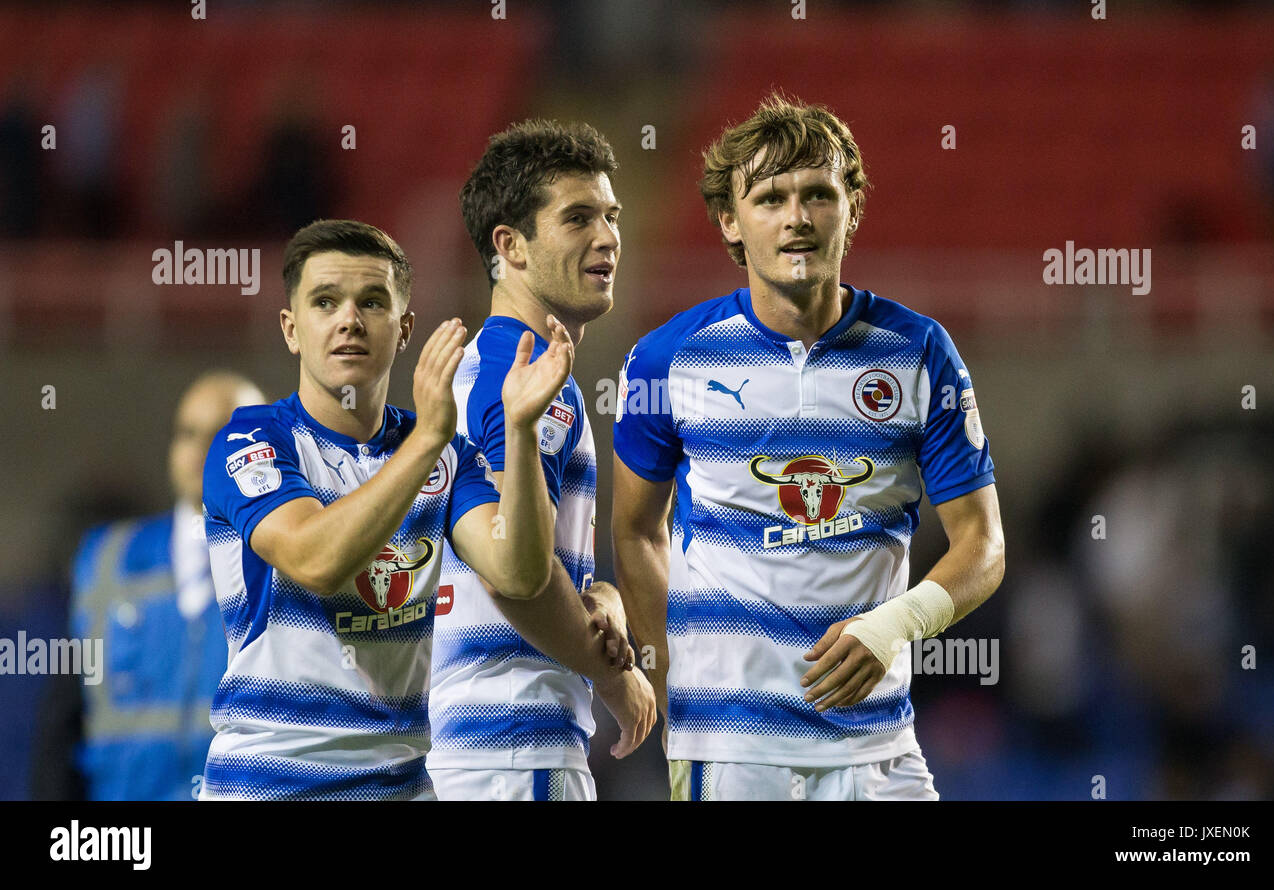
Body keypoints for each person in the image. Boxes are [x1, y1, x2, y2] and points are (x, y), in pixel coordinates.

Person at [611, 94, 1005, 800]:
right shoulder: (665, 358)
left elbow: (983, 545)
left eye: (818, 194)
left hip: (879, 744)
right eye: (770, 198)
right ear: (730, 222)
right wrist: (672, 683)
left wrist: (895, 626)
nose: (796, 217)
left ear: (850, 208)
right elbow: (637, 528)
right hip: (731, 748)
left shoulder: (918, 351)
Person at [199, 219, 575, 800]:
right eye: (325, 302)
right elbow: (315, 558)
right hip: (271, 781)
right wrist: (425, 441)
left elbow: (520, 573)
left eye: (371, 302)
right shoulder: (251, 442)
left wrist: (521, 433)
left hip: (400, 784)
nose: (349, 319)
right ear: (291, 328)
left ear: (404, 330)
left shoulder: (446, 455)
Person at [426, 120, 655, 800]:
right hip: (512, 754)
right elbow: (513, 574)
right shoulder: (520, 379)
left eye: (612, 216)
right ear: (511, 248)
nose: (608, 237)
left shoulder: (488, 371)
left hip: (471, 752)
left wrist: (599, 596)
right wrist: (614, 675)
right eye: (578, 217)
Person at [35, 371, 264, 800]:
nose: (201, 449)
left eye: (224, 433)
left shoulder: (294, 571)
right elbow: (60, 729)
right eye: (187, 432)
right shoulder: (105, 562)